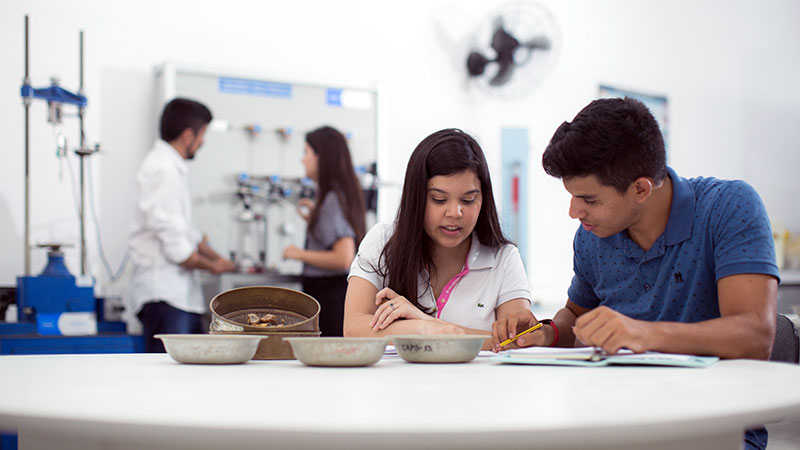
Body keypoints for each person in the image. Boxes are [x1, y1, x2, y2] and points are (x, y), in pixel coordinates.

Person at [491, 97, 778, 450]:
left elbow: (755, 335)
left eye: (589, 199)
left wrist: (643, 333)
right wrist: (546, 332)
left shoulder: (729, 207)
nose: (574, 211)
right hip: (616, 423)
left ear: (641, 189)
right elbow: (576, 316)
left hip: (711, 430)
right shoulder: (592, 236)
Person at [344, 128, 532, 348]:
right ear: (416, 198)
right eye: (439, 199)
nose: (455, 212)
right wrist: (422, 328)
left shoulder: (504, 259)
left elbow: (520, 340)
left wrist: (427, 322)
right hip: (395, 383)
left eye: (469, 200)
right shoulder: (382, 241)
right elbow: (354, 327)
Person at [127, 98, 236, 353]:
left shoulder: (170, 169)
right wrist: (213, 267)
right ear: (188, 136)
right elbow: (177, 249)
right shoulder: (163, 170)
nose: (203, 142)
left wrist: (218, 258)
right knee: (168, 384)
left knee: (188, 378)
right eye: (203, 135)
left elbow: (187, 233)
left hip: (177, 297)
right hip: (164, 295)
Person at [283, 126, 366, 336]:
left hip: (330, 297)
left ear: (322, 156)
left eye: (306, 152)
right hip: (331, 295)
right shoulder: (337, 196)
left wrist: (298, 254)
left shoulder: (332, 199)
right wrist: (316, 219)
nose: (303, 159)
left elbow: (343, 258)